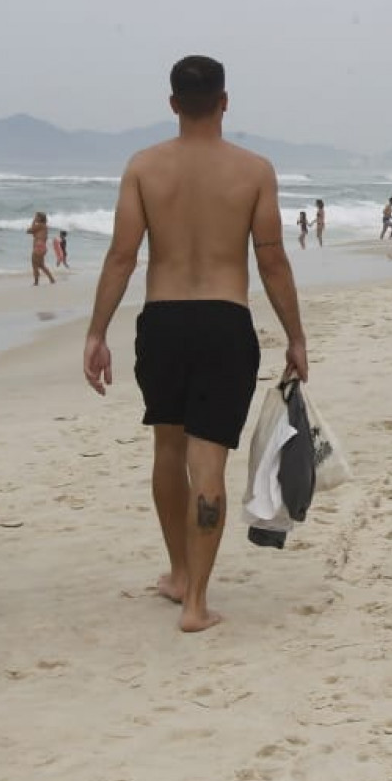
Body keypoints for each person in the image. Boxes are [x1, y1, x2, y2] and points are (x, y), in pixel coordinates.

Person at [83, 56, 307, 633]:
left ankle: (179, 572)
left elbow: (122, 256)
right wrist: (296, 337)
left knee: (168, 451)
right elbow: (273, 259)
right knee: (209, 461)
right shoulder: (254, 170)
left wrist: (96, 331)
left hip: (163, 320)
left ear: (173, 103)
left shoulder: (144, 167)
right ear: (225, 102)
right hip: (224, 321)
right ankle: (196, 603)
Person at [28, 210, 56, 285]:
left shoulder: (40, 225)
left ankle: (36, 282)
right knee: (41, 265)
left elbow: (30, 230)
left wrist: (33, 221)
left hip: (38, 246)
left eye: (36, 216)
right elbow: (32, 231)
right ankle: (52, 279)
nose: (35, 217)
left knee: (34, 265)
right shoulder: (43, 227)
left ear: (40, 218)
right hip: (42, 247)